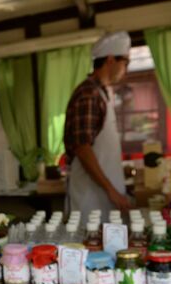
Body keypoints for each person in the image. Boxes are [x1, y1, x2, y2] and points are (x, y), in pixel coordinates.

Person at [64, 31, 133, 220]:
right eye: (125, 62)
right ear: (110, 60)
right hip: (90, 199)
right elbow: (82, 148)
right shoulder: (88, 94)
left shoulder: (102, 92)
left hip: (104, 196)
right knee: (92, 243)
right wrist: (111, 189)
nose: (126, 68)